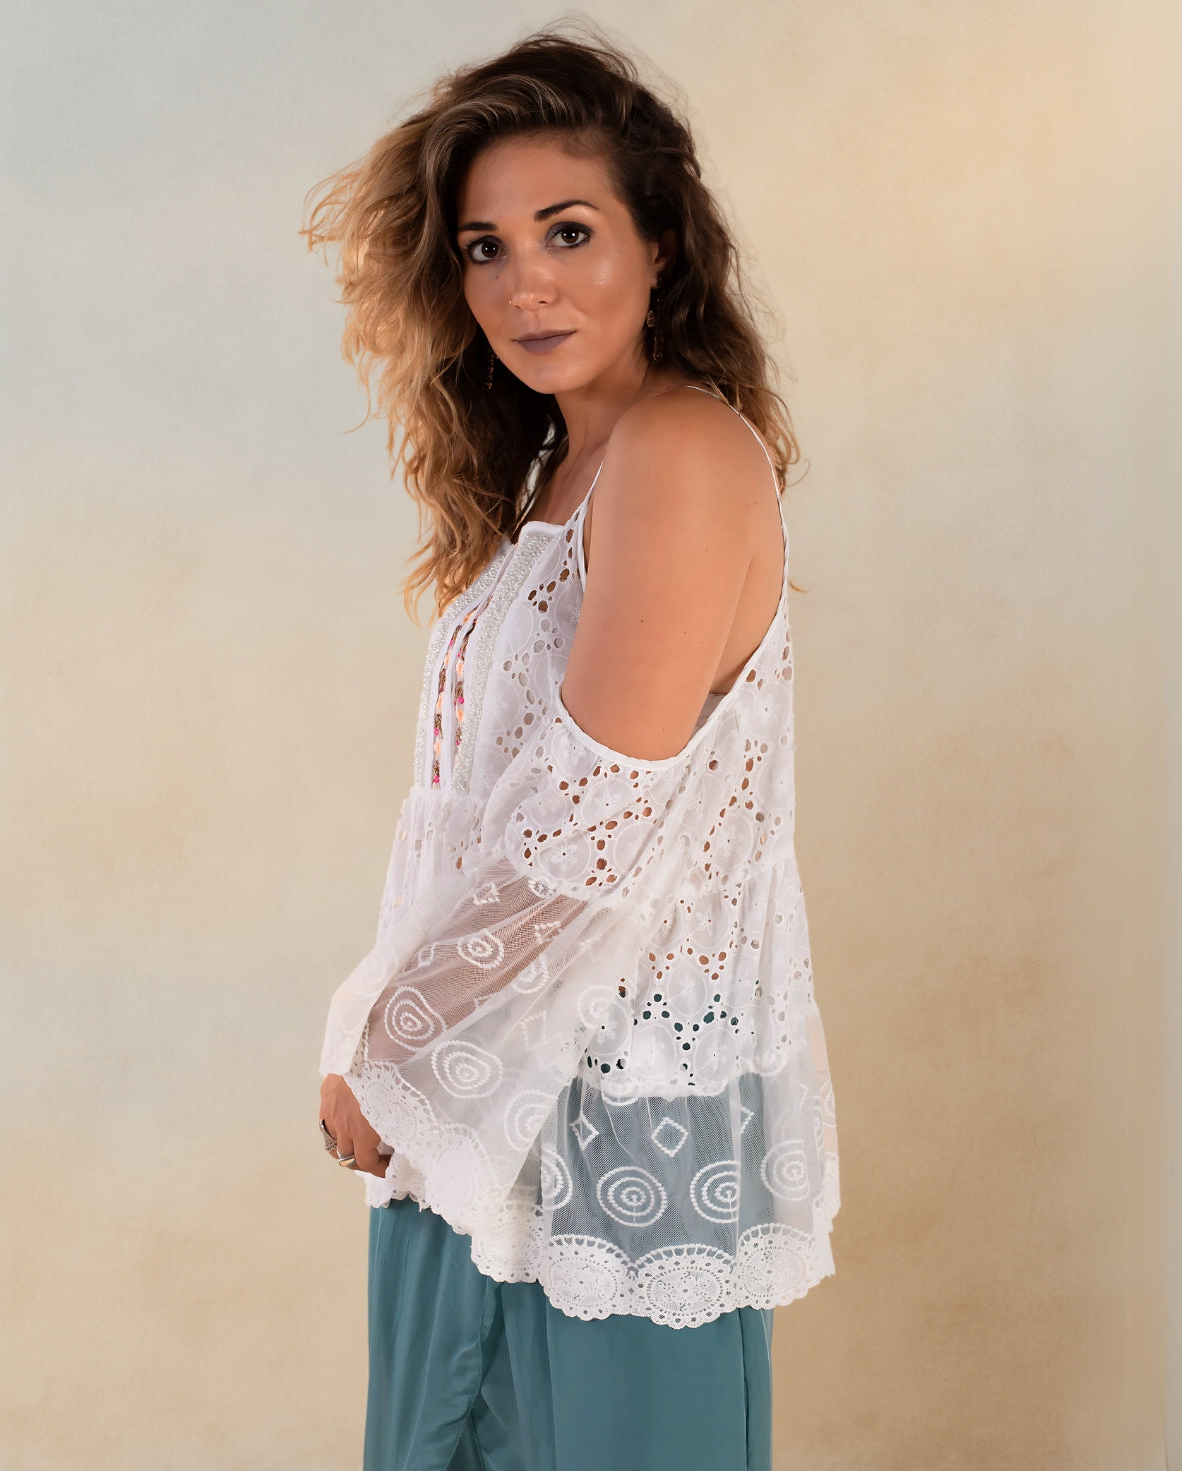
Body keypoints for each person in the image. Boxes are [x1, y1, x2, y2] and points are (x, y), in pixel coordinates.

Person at [302, 23, 839, 1471]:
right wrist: (393, 1042)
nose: (523, 282)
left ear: (661, 244)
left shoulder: (680, 451)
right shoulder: (561, 470)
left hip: (604, 1140)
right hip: (482, 1121)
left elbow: (591, 821)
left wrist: (395, 1048)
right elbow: (472, 820)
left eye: (568, 230)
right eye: (485, 248)